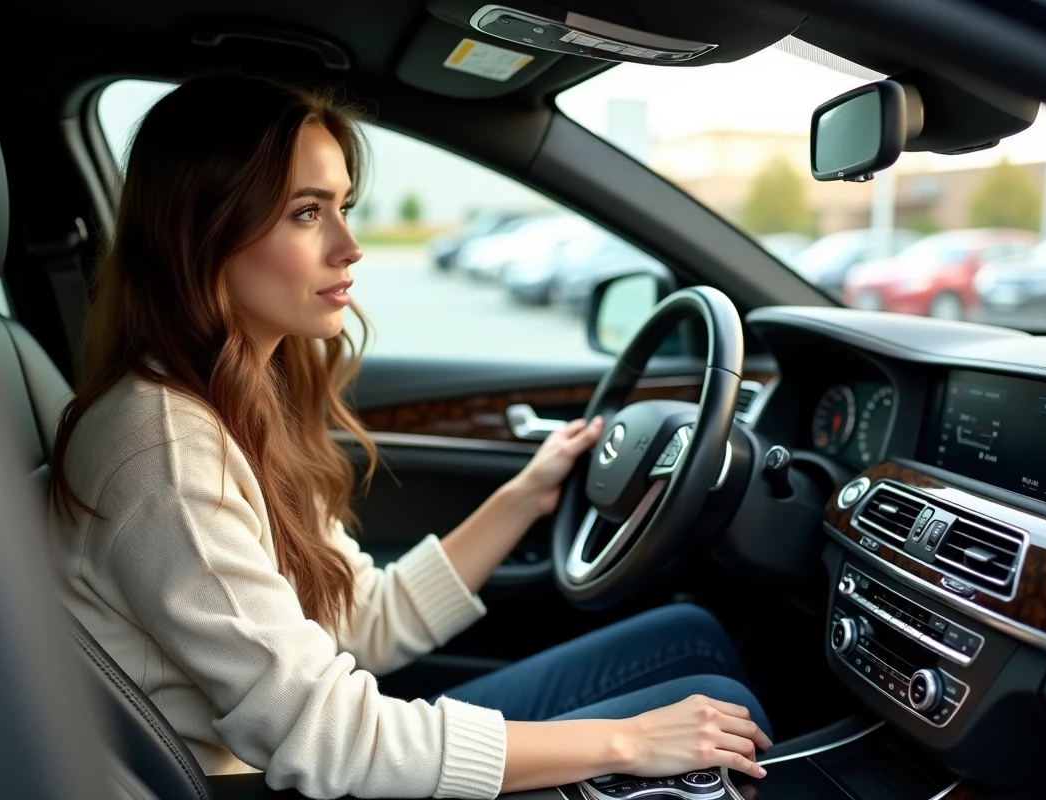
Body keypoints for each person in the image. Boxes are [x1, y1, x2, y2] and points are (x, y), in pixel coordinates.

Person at [48, 74, 771, 800]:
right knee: (706, 699)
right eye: (307, 213)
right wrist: (631, 740)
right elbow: (327, 736)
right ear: (202, 233)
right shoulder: (166, 449)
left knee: (689, 636)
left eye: (344, 208)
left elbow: (359, 619)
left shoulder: (237, 404)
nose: (350, 246)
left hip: (295, 762)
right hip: (252, 783)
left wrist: (524, 495)